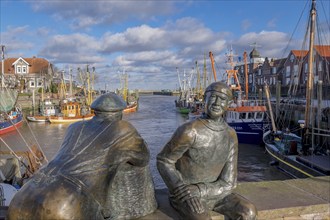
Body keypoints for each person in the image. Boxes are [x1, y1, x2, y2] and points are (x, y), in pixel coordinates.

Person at [7, 93, 157, 220]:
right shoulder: (123, 128)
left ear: (95, 110)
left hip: (26, 192)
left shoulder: (75, 126)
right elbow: (143, 158)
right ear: (120, 111)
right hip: (66, 200)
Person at [157, 81, 257, 220]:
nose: (216, 103)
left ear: (228, 104)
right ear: (205, 99)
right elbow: (164, 160)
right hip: (188, 195)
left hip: (215, 193)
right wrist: (181, 190)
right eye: (213, 97)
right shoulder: (189, 130)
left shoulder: (230, 135)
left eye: (222, 99)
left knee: (249, 212)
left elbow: (229, 182)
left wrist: (200, 190)